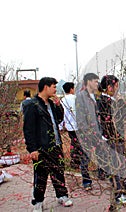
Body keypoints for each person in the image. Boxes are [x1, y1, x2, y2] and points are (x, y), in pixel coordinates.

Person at [23, 77, 73, 212]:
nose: (55, 90)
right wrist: (32, 149)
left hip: (55, 145)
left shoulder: (51, 103)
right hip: (41, 147)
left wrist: (58, 104)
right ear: (46, 87)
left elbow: (59, 119)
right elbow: (28, 129)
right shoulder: (32, 105)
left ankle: (62, 195)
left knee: (58, 171)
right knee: (41, 175)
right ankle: (38, 202)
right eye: (54, 87)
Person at [97, 75, 126, 205]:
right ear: (109, 87)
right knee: (116, 166)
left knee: (124, 163)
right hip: (111, 139)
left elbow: (124, 116)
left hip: (118, 137)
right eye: (116, 86)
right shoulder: (103, 102)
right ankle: (118, 194)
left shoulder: (112, 101)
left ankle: (125, 185)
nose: (118, 89)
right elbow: (110, 120)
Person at [60, 82, 93, 190]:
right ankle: (86, 180)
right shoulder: (76, 99)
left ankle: (75, 163)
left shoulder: (62, 101)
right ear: (71, 89)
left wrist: (61, 127)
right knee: (84, 151)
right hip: (81, 128)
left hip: (70, 128)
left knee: (76, 145)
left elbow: (61, 115)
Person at [75, 73, 106, 183]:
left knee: (101, 154)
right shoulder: (81, 96)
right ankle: (86, 181)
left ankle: (101, 174)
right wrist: (86, 132)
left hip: (97, 131)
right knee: (86, 157)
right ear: (88, 81)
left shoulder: (96, 96)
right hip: (86, 132)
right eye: (95, 81)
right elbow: (80, 117)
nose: (97, 84)